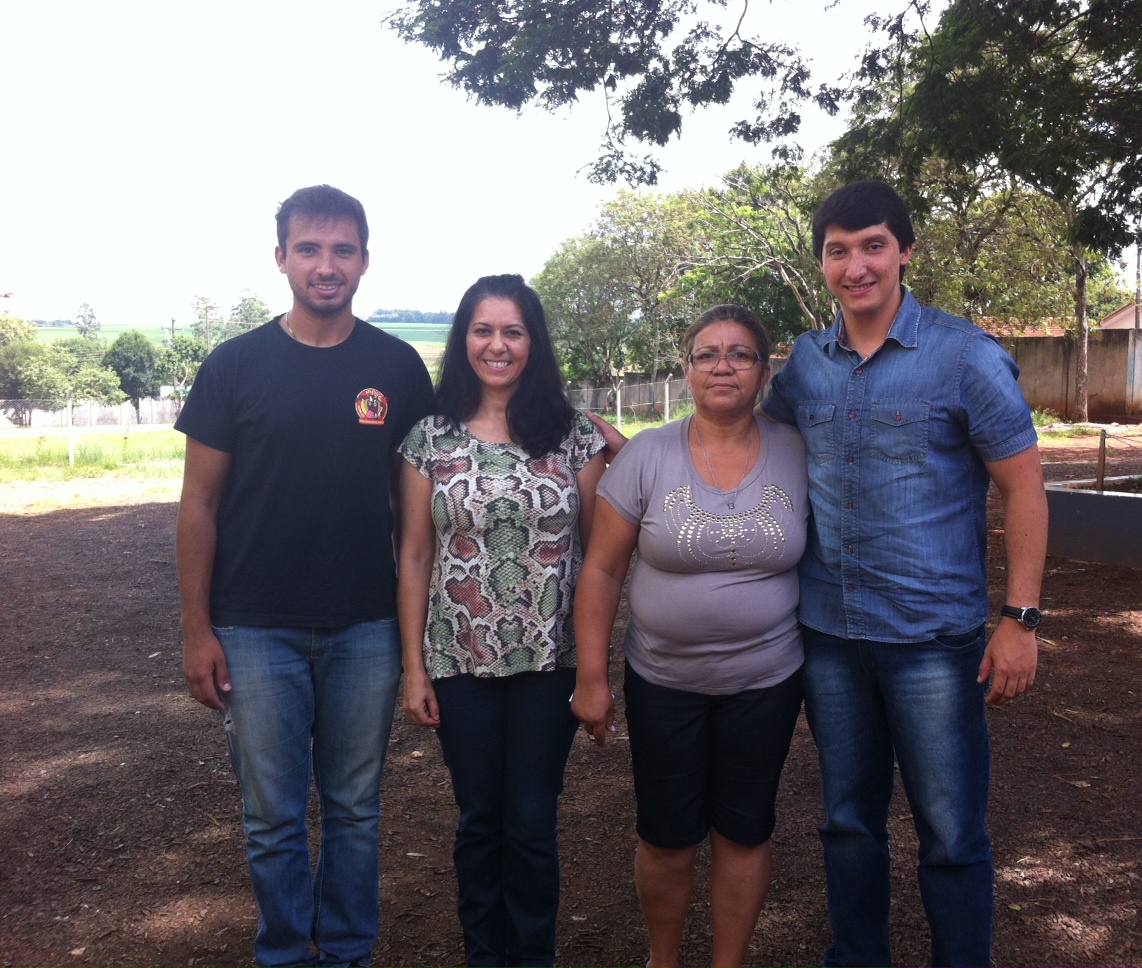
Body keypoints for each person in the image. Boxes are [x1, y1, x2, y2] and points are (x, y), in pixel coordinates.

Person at [761, 179, 1048, 968]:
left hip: (932, 640)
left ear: (905, 252)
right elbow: (749, 447)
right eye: (838, 250)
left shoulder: (964, 357)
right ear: (822, 262)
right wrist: (638, 452)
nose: (856, 266)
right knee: (848, 823)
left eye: (873, 245)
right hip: (828, 636)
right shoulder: (805, 369)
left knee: (952, 832)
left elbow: (1023, 484)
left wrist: (1021, 620)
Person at [176, 185, 436, 968]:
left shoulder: (396, 367)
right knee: (272, 817)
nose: (327, 266)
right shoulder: (234, 366)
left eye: (343, 250)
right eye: (310, 249)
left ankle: (349, 951)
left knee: (355, 808)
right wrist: (197, 632)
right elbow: (198, 507)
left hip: (366, 625)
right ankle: (287, 953)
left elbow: (417, 515)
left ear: (364, 259)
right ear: (281, 256)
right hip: (254, 627)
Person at [572, 305, 809, 968]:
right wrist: (592, 678)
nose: (723, 365)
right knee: (668, 836)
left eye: (740, 354)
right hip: (664, 683)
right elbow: (601, 568)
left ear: (764, 371)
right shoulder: (649, 454)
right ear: (687, 370)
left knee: (744, 831)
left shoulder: (795, 449)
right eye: (708, 354)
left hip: (765, 682)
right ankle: (664, 960)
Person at [396, 274, 605, 968]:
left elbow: (606, 548)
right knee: (480, 820)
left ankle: (532, 956)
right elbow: (416, 557)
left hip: (551, 659)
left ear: (534, 343)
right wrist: (415, 670)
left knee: (532, 821)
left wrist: (626, 448)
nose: (498, 345)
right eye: (483, 330)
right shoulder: (429, 439)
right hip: (460, 659)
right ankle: (484, 955)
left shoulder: (574, 435)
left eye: (513, 331)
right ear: (463, 341)